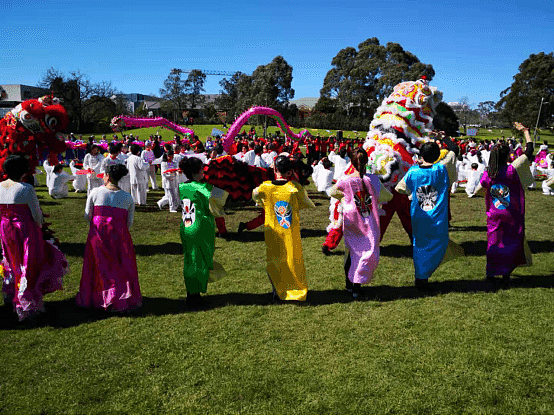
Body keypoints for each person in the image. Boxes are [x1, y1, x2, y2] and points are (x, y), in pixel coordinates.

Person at [0, 155, 67, 321]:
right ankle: (26, 303)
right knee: (27, 263)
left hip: (5, 229)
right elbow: (37, 215)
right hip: (25, 230)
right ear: (24, 171)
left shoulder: (0, 186)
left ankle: (10, 295)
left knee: (10, 261)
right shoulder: (26, 188)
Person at [396, 142, 463, 289]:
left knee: (419, 245)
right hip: (437, 217)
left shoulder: (413, 172)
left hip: (419, 216)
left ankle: (421, 275)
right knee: (438, 243)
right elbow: (453, 153)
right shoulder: (440, 170)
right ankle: (423, 274)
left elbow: (400, 188)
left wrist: (411, 193)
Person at [76, 164, 141, 312]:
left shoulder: (95, 192)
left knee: (98, 266)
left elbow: (87, 215)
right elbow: (129, 223)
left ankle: (98, 296)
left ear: (108, 176)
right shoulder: (128, 197)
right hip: (120, 237)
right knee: (119, 266)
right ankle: (118, 296)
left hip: (98, 235)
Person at [328, 148, 392, 299]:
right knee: (365, 253)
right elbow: (387, 196)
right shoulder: (374, 180)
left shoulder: (346, 180)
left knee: (351, 253)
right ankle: (357, 285)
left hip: (353, 223)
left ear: (351, 162)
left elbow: (332, 192)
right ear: (367, 161)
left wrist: (344, 198)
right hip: (369, 223)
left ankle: (349, 285)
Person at [476, 123, 534, 282]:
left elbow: (481, 187)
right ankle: (506, 273)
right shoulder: (512, 170)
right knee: (511, 241)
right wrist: (526, 132)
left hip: (495, 214)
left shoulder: (490, 173)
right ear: (508, 155)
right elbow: (529, 151)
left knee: (493, 243)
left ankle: (491, 273)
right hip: (512, 213)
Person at [252, 155, 315, 302]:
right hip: (290, 232)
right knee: (292, 259)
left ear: (274, 169)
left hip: (272, 231)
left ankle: (277, 291)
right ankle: (293, 290)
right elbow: (307, 203)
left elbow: (255, 196)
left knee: (274, 260)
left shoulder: (264, 187)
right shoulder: (295, 188)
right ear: (290, 172)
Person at [178, 157, 228, 306]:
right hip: (200, 227)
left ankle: (192, 291)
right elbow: (222, 197)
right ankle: (195, 293)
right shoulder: (202, 187)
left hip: (187, 227)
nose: (203, 172)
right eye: (201, 170)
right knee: (199, 259)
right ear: (196, 172)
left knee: (190, 259)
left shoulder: (182, 186)